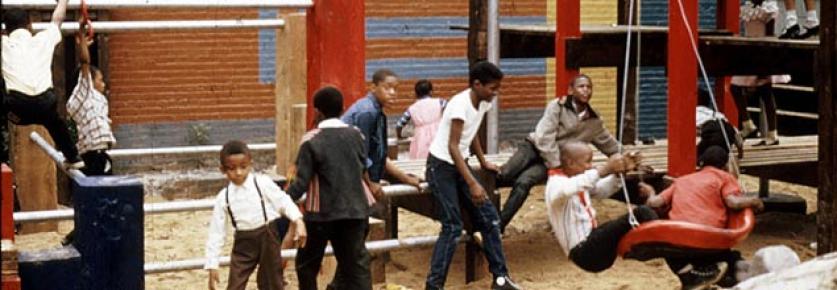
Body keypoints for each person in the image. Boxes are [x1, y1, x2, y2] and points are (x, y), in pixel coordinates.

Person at [424, 61, 520, 290]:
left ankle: (500, 278)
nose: (495, 93)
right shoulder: (459, 105)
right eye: (492, 88)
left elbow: (472, 131)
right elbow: (453, 146)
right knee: (452, 225)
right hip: (441, 166)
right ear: (477, 84)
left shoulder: (483, 103)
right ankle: (434, 285)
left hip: (461, 163)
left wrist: (483, 160)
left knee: (490, 218)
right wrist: (472, 183)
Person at [498, 74, 619, 233]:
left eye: (589, 87)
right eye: (581, 86)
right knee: (505, 174)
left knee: (524, 182)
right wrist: (556, 164)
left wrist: (629, 158)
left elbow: (610, 144)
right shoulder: (557, 106)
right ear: (571, 90)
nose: (585, 90)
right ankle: (478, 213)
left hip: (550, 163)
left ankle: (497, 226)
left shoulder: (594, 120)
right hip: (534, 148)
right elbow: (544, 137)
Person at [286, 87, 380, 290]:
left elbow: (301, 182)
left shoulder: (311, 139)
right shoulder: (356, 135)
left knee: (306, 265)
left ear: (317, 111)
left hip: (321, 213)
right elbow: (363, 167)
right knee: (356, 265)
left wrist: (282, 199)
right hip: (355, 210)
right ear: (343, 108)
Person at [642, 146, 765, 289]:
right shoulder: (724, 177)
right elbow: (733, 202)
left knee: (665, 243)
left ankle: (689, 273)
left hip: (679, 240)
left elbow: (654, 203)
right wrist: (755, 201)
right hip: (709, 239)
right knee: (728, 260)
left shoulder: (682, 180)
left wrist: (650, 192)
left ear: (701, 163)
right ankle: (741, 274)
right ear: (725, 165)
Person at [204, 140, 306, 290]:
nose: (238, 172)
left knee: (271, 282)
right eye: (232, 168)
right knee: (235, 283)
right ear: (223, 169)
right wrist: (212, 264)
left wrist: (298, 220)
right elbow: (216, 232)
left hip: (267, 236)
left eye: (243, 167)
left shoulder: (262, 183)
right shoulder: (224, 197)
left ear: (250, 164)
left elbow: (283, 201)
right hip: (243, 242)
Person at [544, 142, 653, 273]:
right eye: (587, 162)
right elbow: (572, 187)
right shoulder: (556, 184)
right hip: (584, 252)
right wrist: (606, 168)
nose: (590, 166)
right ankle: (662, 242)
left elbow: (601, 190)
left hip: (594, 243)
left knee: (638, 217)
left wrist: (619, 173)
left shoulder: (575, 179)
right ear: (571, 163)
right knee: (642, 212)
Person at [2, 1, 84, 169]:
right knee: (56, 123)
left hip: (17, 110)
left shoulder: (4, 43)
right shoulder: (43, 39)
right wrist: (63, 1)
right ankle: (74, 157)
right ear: (30, 25)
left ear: (6, 30)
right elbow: (57, 20)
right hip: (45, 105)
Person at [342, 69, 422, 188]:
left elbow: (381, 156)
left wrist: (406, 179)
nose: (392, 93)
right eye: (387, 88)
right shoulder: (367, 112)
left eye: (395, 89)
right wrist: (370, 184)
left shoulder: (378, 113)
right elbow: (360, 154)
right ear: (373, 88)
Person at [734, 0, 789, 146]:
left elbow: (769, 36)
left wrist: (765, 64)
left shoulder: (768, 8)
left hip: (762, 52)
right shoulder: (748, 7)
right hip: (749, 52)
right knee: (735, 87)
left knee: (766, 92)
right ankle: (748, 124)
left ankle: (772, 133)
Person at [67, 17, 116, 176]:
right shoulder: (84, 93)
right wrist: (82, 37)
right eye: (100, 80)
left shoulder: (98, 99)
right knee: (98, 193)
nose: (104, 84)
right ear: (89, 81)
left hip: (101, 153)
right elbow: (84, 62)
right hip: (92, 154)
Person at [395, 79, 446, 160]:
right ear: (431, 92)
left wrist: (399, 136)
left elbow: (399, 125)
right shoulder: (440, 102)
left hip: (420, 138)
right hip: (439, 136)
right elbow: (451, 113)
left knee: (421, 160)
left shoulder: (411, 109)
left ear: (416, 94)